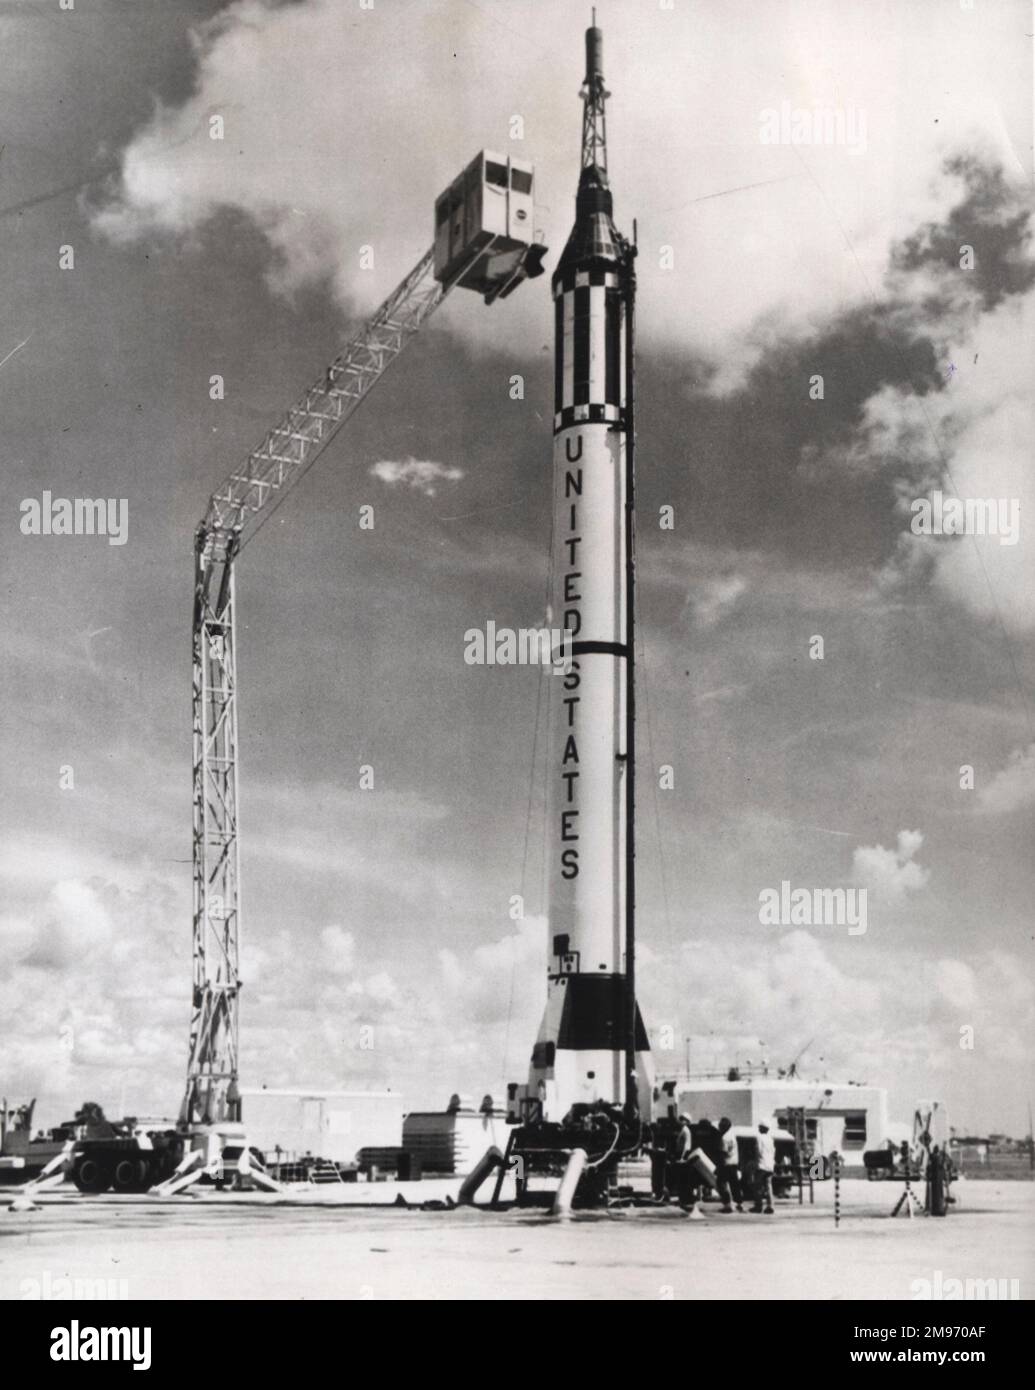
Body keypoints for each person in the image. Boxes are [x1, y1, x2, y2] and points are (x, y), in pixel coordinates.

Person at [672, 1113, 699, 1211]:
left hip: (683, 1157)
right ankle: (683, 1199)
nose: (680, 1121)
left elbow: (686, 1147)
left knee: (684, 1180)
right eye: (680, 1119)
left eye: (683, 1119)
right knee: (681, 1180)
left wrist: (682, 1158)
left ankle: (686, 1200)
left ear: (687, 1121)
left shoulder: (686, 1131)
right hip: (681, 1156)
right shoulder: (683, 1130)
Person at [717, 1116, 743, 1212]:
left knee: (721, 1184)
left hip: (726, 1163)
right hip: (734, 1162)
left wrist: (719, 1164)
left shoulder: (724, 1138)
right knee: (734, 1184)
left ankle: (727, 1205)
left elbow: (723, 1152)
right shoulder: (732, 1136)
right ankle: (738, 1203)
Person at [752, 1122, 775, 1214]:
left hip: (761, 1164)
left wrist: (756, 1163)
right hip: (770, 1165)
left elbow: (758, 1151)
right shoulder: (770, 1139)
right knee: (768, 1186)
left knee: (757, 1186)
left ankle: (758, 1205)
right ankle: (770, 1205)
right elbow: (773, 1151)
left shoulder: (759, 1138)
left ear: (761, 1128)